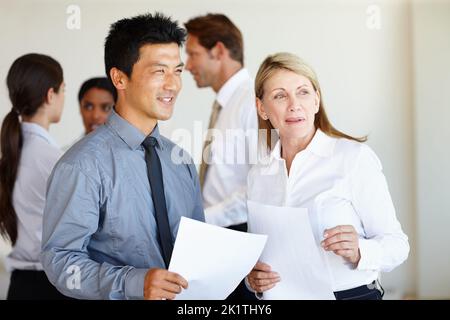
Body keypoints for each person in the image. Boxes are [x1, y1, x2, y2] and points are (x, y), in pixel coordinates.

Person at [41, 13, 204, 300]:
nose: (173, 85)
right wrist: (133, 283)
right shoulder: (82, 165)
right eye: (159, 71)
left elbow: (200, 249)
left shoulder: (182, 161)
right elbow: (62, 263)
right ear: (119, 78)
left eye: (177, 71)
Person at [245, 52, 409, 300]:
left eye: (303, 92)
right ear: (262, 108)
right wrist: (253, 281)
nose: (294, 104)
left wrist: (360, 251)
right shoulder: (257, 176)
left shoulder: (353, 158)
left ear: (316, 100)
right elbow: (258, 259)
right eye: (280, 95)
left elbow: (398, 245)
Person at [184, 13, 258, 300]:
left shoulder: (251, 102)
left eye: (193, 54)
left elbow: (260, 185)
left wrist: (202, 218)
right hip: (218, 234)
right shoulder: (226, 103)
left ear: (218, 51)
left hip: (237, 235)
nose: (188, 65)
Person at [0, 53, 68, 300]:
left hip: (20, 286)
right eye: (63, 90)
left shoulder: (12, 151)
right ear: (51, 95)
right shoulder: (53, 159)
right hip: (50, 287)